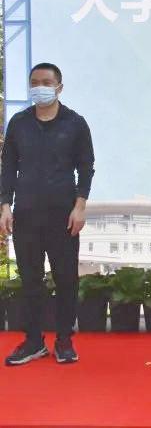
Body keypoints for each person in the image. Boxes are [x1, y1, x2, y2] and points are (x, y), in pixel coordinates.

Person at [2, 63, 94, 366]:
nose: (40, 87)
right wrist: (5, 205)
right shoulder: (19, 123)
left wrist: (80, 206)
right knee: (30, 279)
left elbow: (86, 167)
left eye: (46, 82)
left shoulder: (75, 123)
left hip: (63, 215)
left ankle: (64, 340)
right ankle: (33, 341)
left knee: (66, 279)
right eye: (35, 82)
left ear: (59, 87)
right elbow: (8, 167)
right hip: (26, 213)